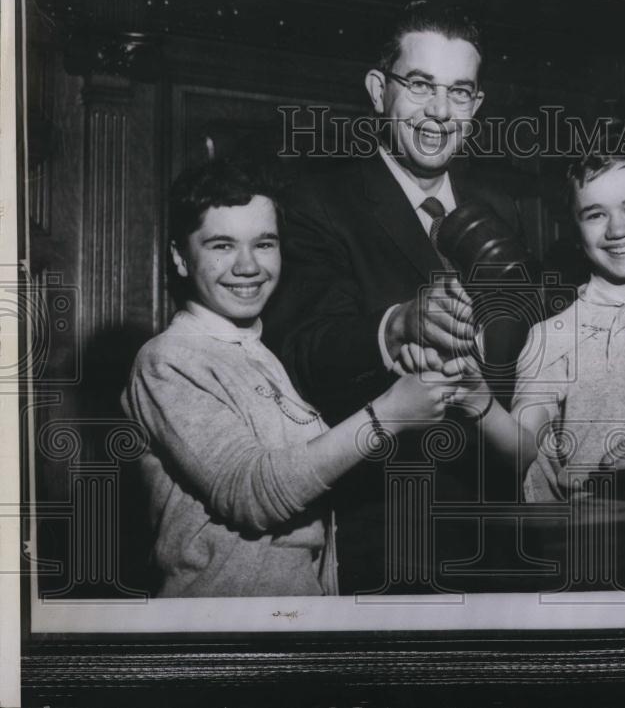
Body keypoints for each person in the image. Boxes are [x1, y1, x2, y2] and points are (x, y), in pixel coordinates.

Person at [263, 0, 524, 592]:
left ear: (477, 105)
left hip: (508, 531)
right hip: (388, 534)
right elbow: (303, 348)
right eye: (420, 85)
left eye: (460, 92)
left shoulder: (503, 207)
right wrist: (397, 325)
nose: (439, 112)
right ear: (380, 90)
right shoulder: (318, 203)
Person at [121, 161, 463, 596]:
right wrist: (388, 415)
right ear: (179, 258)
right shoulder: (167, 360)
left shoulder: (261, 353)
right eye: (222, 246)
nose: (248, 266)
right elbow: (252, 493)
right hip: (220, 623)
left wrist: (408, 372)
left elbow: (311, 471)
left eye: (264, 243)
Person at [401, 150, 625, 501]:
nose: (617, 229)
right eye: (595, 215)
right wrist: (479, 400)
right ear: (576, 229)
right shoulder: (550, 338)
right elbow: (522, 454)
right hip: (593, 548)